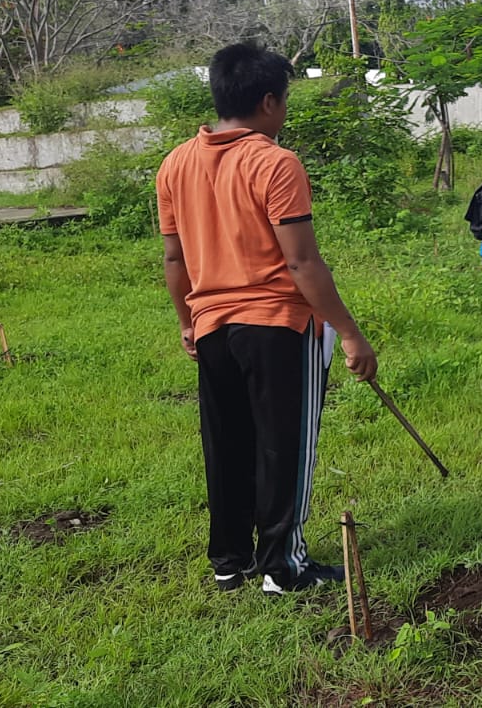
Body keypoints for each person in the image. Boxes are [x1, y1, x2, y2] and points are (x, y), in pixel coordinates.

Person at [156, 42, 378, 595]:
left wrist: (186, 320)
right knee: (284, 446)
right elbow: (301, 262)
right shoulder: (276, 162)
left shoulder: (175, 163)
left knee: (227, 443)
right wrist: (350, 333)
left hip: (210, 324)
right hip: (278, 324)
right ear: (269, 101)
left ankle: (230, 561)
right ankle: (284, 567)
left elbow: (174, 258)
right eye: (285, 100)